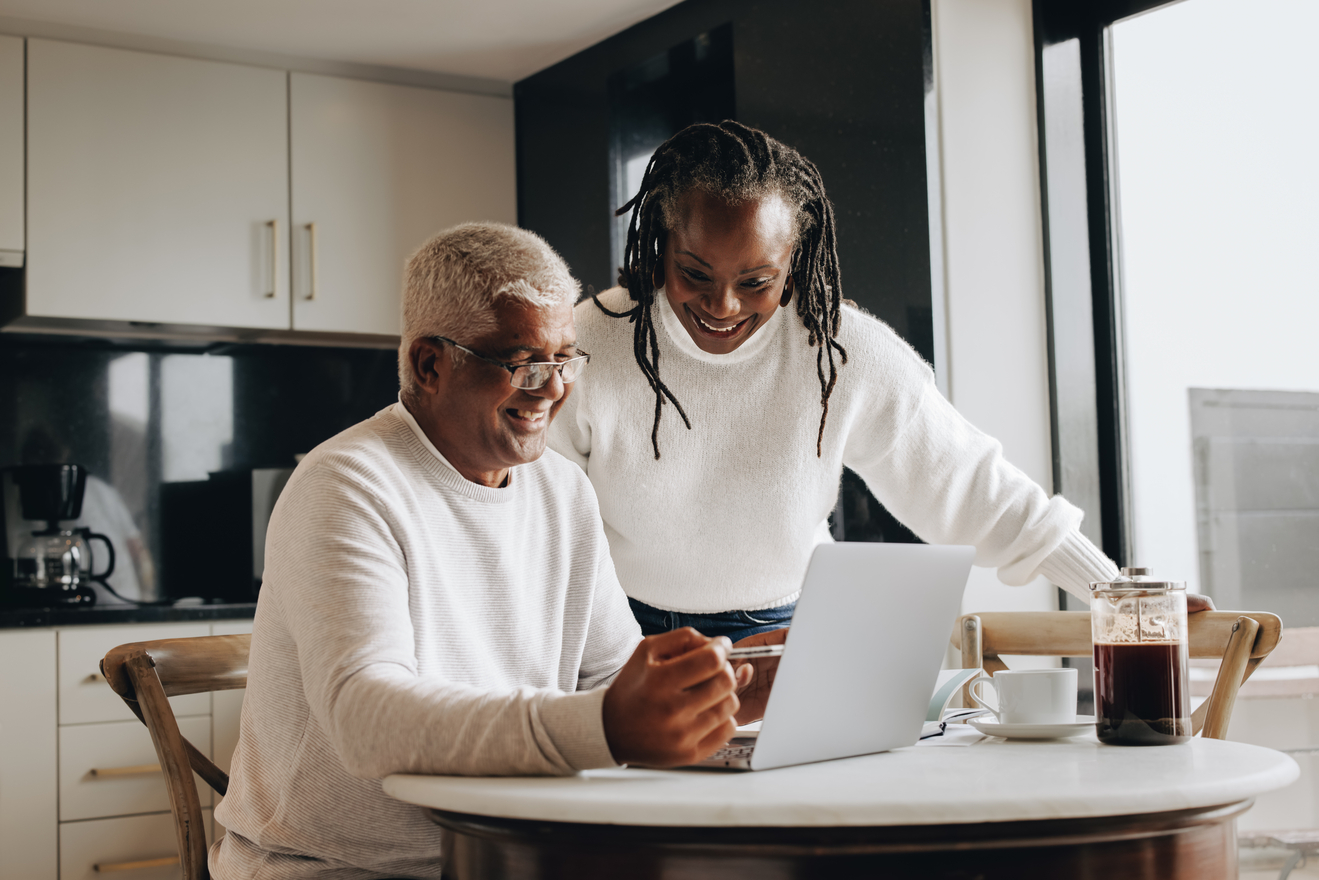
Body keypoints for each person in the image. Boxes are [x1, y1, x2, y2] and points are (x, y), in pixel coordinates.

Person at [210, 223, 750, 879]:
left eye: (564, 360)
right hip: (337, 867)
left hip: (513, 855)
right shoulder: (346, 485)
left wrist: (723, 684)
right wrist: (605, 726)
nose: (551, 388)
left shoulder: (563, 491)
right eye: (522, 362)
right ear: (430, 364)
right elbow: (366, 719)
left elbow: (611, 681)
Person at [548, 120, 1211, 647]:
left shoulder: (841, 352)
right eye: (695, 273)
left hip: (790, 631)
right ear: (659, 243)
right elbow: (536, 523)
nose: (722, 306)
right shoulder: (587, 346)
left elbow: (969, 486)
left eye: (755, 282)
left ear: (795, 262)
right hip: (622, 633)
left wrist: (1113, 590)